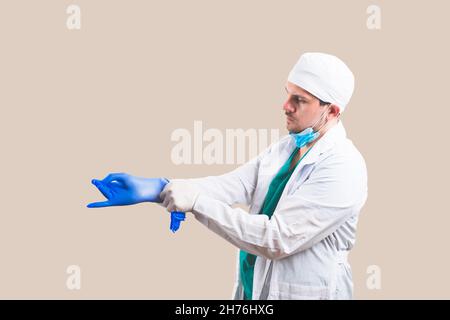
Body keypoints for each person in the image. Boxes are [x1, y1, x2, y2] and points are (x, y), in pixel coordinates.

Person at [88, 52, 368, 300]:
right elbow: (232, 186)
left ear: (332, 111)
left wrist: (195, 201)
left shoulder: (344, 166)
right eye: (287, 93)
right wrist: (162, 188)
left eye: (299, 100)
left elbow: (277, 239)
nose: (285, 105)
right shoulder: (285, 149)